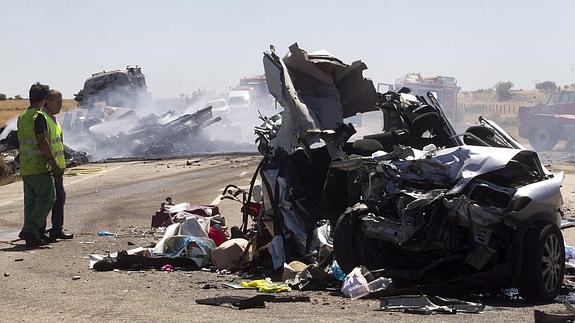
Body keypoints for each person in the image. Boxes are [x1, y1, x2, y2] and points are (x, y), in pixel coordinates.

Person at [17, 83, 61, 247]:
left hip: (26, 167)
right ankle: (29, 229)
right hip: (39, 166)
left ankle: (32, 237)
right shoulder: (39, 116)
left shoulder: (22, 117)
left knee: (31, 202)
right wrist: (52, 160)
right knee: (49, 198)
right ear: (43, 100)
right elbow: (42, 140)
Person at [41, 89, 73, 240]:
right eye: (58, 102)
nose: (61, 105)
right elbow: (43, 143)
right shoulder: (43, 119)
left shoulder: (54, 120)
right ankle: (40, 232)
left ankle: (56, 230)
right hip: (48, 168)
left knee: (60, 198)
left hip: (58, 169)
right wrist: (52, 163)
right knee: (47, 200)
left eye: (61, 102)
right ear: (47, 101)